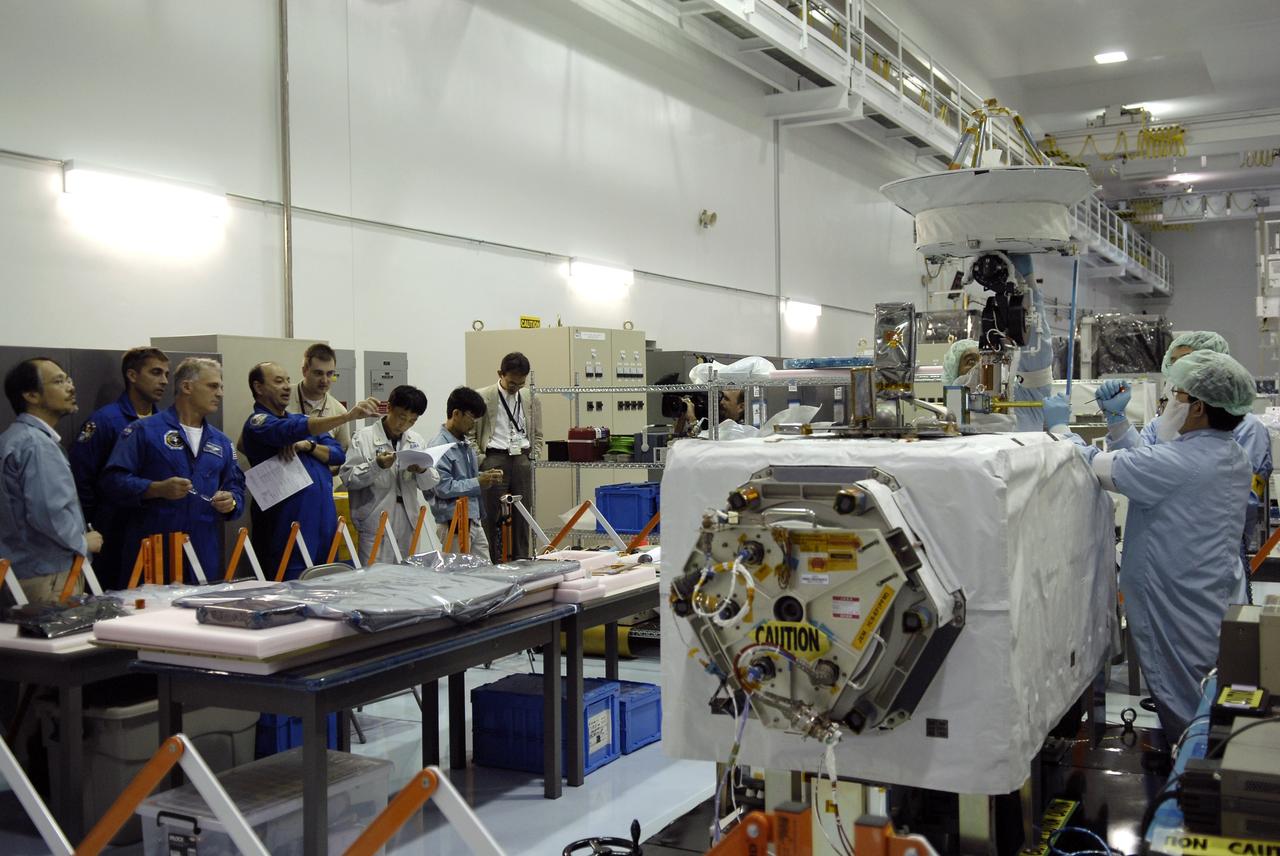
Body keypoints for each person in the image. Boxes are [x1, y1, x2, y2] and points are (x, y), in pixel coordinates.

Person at [1042, 350, 1255, 741]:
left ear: (1198, 407)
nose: (1167, 403)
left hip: (1175, 603)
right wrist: (1117, 419)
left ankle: (1193, 779)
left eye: (1175, 395)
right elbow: (1151, 467)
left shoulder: (1180, 462)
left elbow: (1099, 464)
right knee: (1205, 690)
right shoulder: (1228, 453)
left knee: (1187, 701)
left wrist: (1060, 429)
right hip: (1205, 592)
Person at [1095, 331, 1272, 598]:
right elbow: (1142, 463)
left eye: (1187, 361)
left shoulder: (1247, 430)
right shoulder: (1162, 423)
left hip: (1207, 551)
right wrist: (1118, 421)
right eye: (1174, 362)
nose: (1179, 370)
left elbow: (1242, 498)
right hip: (1160, 553)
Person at [101, 358, 245, 583]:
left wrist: (231, 502)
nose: (220, 393)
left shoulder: (222, 442)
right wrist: (155, 489)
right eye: (213, 386)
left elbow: (236, 487)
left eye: (221, 387)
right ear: (187, 387)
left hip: (202, 553)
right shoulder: (143, 431)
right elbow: (112, 481)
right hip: (153, 552)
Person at [240, 362, 379, 580]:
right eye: (278, 381)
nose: (287, 386)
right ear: (259, 388)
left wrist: (309, 446)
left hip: (322, 526)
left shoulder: (301, 420)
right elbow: (287, 431)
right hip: (287, 533)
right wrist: (346, 417)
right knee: (289, 600)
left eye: (287, 380)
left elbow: (337, 454)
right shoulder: (258, 424)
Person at [0, 358, 102, 603]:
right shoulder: (37, 444)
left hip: (20, 573)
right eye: (59, 381)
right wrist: (82, 542)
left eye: (68, 379)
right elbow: (48, 513)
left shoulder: (13, 439)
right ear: (31, 395)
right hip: (48, 576)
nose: (70, 387)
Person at [68, 346, 169, 589]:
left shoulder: (165, 423)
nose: (164, 381)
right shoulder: (104, 421)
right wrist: (92, 525)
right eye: (156, 372)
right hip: (113, 531)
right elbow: (81, 478)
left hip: (155, 530)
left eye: (167, 374)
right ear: (132, 376)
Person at [941, 255, 1054, 431]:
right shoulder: (953, 418)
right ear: (953, 375)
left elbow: (1035, 358)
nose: (982, 365)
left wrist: (1027, 286)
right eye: (970, 361)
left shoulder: (1022, 398)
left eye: (983, 358)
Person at [339, 384, 442, 564]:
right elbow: (349, 478)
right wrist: (376, 465)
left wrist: (422, 470)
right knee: (374, 580)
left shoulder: (415, 440)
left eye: (412, 421)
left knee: (405, 579)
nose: (404, 425)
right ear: (389, 408)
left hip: (408, 521)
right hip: (374, 521)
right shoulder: (363, 438)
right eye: (401, 417)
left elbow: (429, 483)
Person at [472, 353, 543, 562]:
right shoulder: (483, 396)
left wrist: (534, 455)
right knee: (490, 516)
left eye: (521, 383)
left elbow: (538, 432)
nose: (516, 387)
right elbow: (470, 433)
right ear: (500, 374)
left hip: (522, 458)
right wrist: (480, 459)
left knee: (524, 515)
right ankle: (491, 563)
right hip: (494, 459)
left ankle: (522, 561)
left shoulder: (530, 397)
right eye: (512, 382)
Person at [430, 386, 501, 562]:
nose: (474, 423)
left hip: (473, 519)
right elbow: (443, 487)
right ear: (456, 414)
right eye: (471, 417)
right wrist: (478, 482)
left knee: (485, 574)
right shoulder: (439, 447)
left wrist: (485, 476)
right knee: (457, 579)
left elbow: (465, 478)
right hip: (453, 522)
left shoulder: (464, 443)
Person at [287, 343, 350, 476]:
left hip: (320, 484)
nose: (325, 380)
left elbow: (342, 457)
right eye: (318, 373)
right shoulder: (283, 398)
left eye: (330, 374)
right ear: (304, 370)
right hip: (283, 481)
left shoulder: (339, 412)